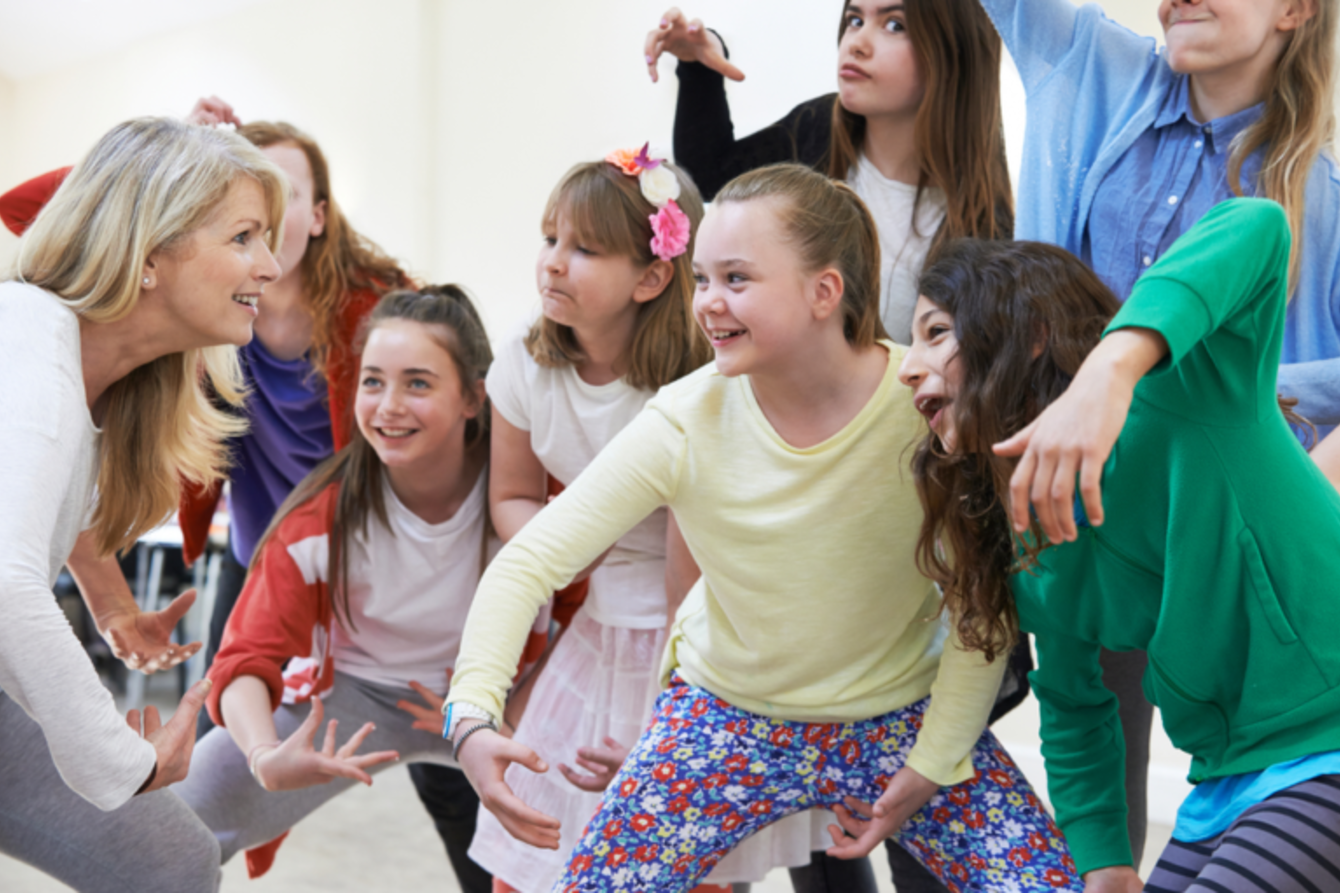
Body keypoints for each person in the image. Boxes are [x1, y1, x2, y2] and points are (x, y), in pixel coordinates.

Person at [444, 164, 1083, 893]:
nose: (709, 303)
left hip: (898, 713)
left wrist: (934, 761)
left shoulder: (926, 401)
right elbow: (528, 561)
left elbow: (979, 606)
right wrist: (472, 717)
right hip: (726, 716)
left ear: (824, 291)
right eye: (703, 278)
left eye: (737, 278)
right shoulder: (686, 419)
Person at [974, 0, 1339, 865]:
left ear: (1294, 9)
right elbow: (1069, 707)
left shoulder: (1317, 199)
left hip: (1235, 569)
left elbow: (1256, 234)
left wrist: (1124, 376)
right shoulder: (1093, 64)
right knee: (1100, 755)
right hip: (1091, 532)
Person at [900, 198, 1340, 892]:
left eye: (936, 332)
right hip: (1229, 776)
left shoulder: (1189, 393)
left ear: (1032, 334)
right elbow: (1075, 701)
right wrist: (1103, 860)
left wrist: (1114, 364)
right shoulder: (1031, 532)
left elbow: (1258, 226)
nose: (908, 364)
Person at [0, 115, 286, 892]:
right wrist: (123, 758)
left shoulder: (80, 374)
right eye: (244, 236)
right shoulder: (31, 351)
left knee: (171, 858)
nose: (270, 263)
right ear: (150, 251)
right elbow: (7, 584)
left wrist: (113, 606)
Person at [173, 287, 517, 892]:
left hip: (493, 699)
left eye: (417, 383)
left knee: (567, 845)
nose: (388, 406)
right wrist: (262, 755)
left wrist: (498, 711)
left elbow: (578, 615)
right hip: (352, 696)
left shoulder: (520, 496)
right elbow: (244, 658)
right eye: (373, 381)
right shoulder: (320, 518)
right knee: (168, 832)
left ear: (472, 395)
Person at [464, 149, 717, 893]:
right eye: (550, 239)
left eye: (584, 248)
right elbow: (510, 496)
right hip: (592, 623)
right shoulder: (522, 359)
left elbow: (691, 566)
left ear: (651, 276)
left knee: (669, 845)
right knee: (543, 838)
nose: (553, 263)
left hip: (683, 630)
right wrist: (567, 549)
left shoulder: (695, 383)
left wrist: (677, 702)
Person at [644, 0, 1011, 346]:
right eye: (854, 20)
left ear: (955, 53)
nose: (857, 43)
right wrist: (698, 68)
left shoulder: (988, 226)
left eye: (894, 25)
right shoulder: (815, 129)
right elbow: (709, 179)